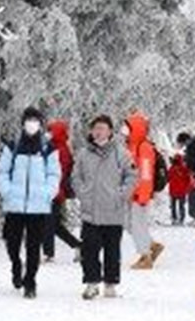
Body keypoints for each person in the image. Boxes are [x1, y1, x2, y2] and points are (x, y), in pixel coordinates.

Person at [0, 107, 62, 298]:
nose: (31, 124)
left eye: (35, 120)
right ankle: (16, 265)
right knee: (12, 242)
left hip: (38, 206)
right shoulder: (13, 146)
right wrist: (7, 192)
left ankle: (30, 281)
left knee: (34, 246)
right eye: (28, 120)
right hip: (14, 204)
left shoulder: (48, 149)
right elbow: (1, 172)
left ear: (41, 124)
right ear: (23, 123)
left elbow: (54, 174)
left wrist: (47, 193)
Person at [72, 114, 138, 300]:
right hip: (90, 211)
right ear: (91, 132)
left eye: (103, 128)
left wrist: (121, 195)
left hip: (113, 211)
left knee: (112, 250)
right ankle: (92, 283)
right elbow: (75, 177)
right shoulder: (84, 154)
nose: (99, 132)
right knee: (89, 250)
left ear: (110, 131)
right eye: (96, 128)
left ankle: (110, 284)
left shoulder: (121, 152)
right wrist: (82, 194)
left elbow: (132, 176)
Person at [122, 112, 165, 269]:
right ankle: (152, 245)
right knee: (127, 223)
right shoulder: (131, 146)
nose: (124, 130)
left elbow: (146, 173)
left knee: (138, 225)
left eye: (127, 127)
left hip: (140, 195)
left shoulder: (144, 147)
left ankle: (145, 256)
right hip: (131, 193)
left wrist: (143, 195)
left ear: (136, 128)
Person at [43, 118, 82, 262]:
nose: (47, 133)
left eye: (50, 130)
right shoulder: (54, 147)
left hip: (55, 192)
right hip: (54, 191)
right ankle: (78, 245)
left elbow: (60, 172)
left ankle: (48, 254)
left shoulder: (60, 150)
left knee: (48, 223)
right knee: (54, 225)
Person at [167, 150, 195, 225]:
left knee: (174, 206)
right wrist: (187, 187)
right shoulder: (184, 168)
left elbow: (168, 177)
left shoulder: (172, 168)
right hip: (181, 191)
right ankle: (180, 219)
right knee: (180, 206)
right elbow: (188, 179)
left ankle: (175, 218)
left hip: (174, 191)